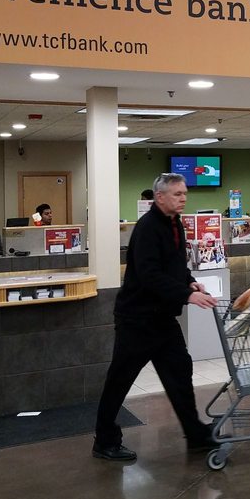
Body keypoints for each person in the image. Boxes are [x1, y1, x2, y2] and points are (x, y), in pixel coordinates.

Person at [93, 173, 218, 460]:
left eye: (184, 193)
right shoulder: (148, 228)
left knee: (180, 372)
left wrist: (189, 282)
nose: (183, 198)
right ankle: (105, 441)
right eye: (177, 194)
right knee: (120, 380)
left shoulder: (175, 224)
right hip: (137, 320)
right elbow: (149, 274)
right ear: (159, 197)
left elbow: (174, 266)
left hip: (162, 319)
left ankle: (195, 434)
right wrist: (186, 295)